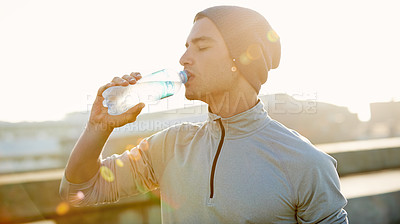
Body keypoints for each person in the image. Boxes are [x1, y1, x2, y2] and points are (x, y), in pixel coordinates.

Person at [60, 5, 349, 223]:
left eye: (202, 46)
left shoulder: (306, 164)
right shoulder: (170, 146)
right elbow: (79, 193)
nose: (184, 58)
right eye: (186, 47)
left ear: (241, 60)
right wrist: (97, 128)